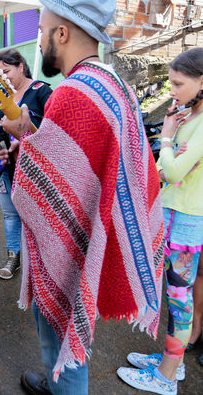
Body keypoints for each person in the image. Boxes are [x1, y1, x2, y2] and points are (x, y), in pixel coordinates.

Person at [0, 0, 165, 393]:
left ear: (62, 33)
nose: (37, 42)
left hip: (70, 244)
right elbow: (77, 166)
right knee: (62, 341)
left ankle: (63, 386)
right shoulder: (112, 83)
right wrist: (29, 132)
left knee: (60, 335)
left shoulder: (71, 94)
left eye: (40, 31)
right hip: (92, 230)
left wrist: (22, 138)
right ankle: (57, 384)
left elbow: (38, 189)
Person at [117, 47, 203, 395]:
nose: (172, 90)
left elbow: (175, 169)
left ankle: (166, 379)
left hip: (187, 221)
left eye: (178, 83)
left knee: (180, 302)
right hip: (176, 215)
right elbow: (164, 170)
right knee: (175, 298)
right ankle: (173, 363)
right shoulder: (191, 118)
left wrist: (166, 136)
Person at [0, 49, 52, 280]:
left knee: (36, 214)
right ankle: (13, 257)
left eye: (6, 71)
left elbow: (53, 127)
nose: (4, 78)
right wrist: (3, 129)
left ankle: (40, 262)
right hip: (1, 165)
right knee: (10, 214)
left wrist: (23, 131)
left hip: (32, 168)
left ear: (21, 66)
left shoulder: (41, 91)